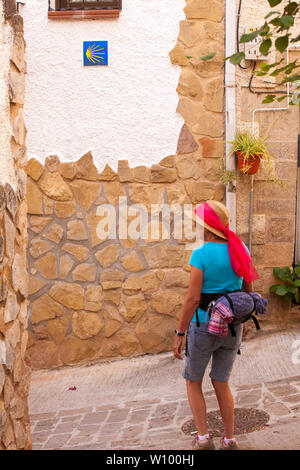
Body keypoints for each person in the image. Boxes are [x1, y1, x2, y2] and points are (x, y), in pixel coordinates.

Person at [173, 200, 259, 450]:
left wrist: (179, 333)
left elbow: (192, 298)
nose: (194, 226)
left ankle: (202, 438)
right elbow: (249, 290)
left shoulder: (200, 254)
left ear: (205, 226)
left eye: (196, 222)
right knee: (221, 381)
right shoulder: (240, 248)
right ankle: (230, 438)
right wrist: (245, 322)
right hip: (233, 325)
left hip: (203, 326)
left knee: (193, 380)